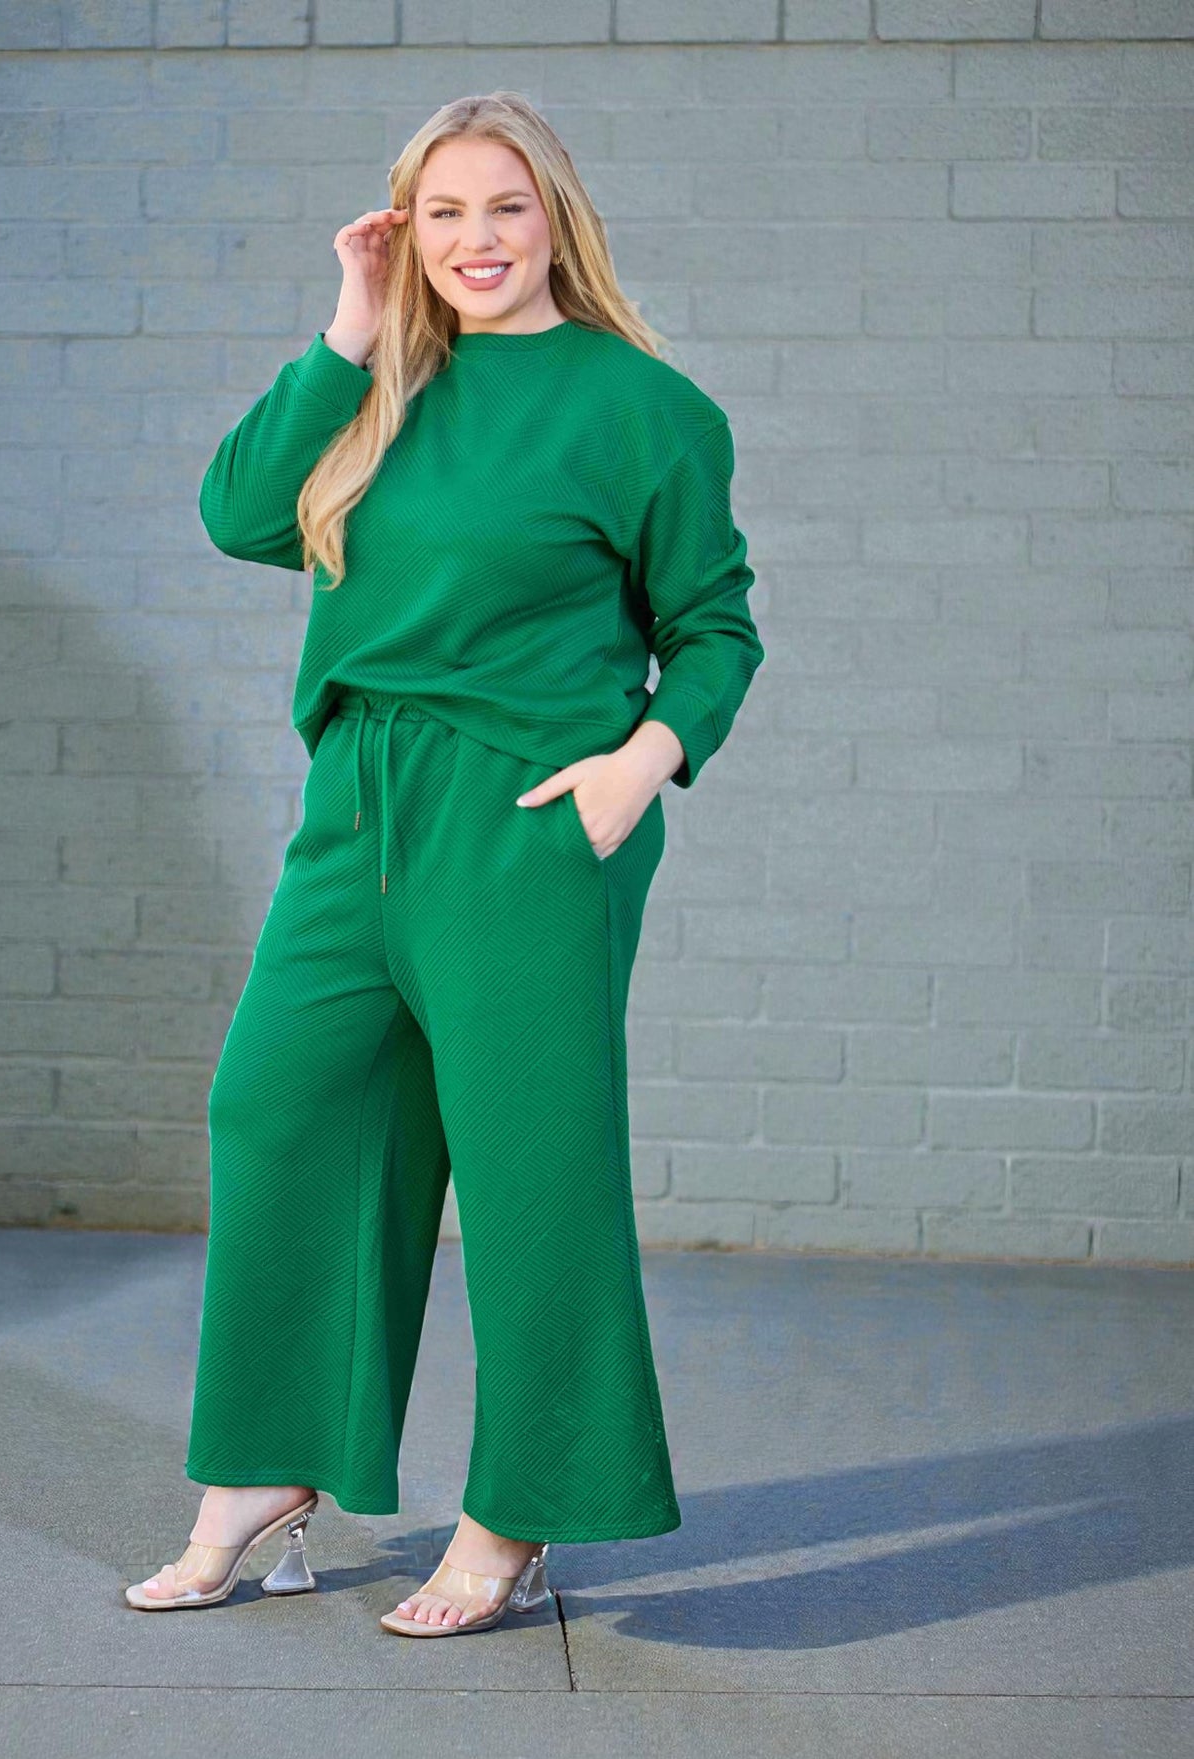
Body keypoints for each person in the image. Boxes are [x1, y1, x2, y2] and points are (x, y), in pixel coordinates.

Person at [124, 91, 764, 1638]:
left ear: (557, 220)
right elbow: (234, 514)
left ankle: (517, 1508)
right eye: (443, 213)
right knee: (278, 1105)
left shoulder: (640, 407)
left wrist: (640, 762)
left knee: (530, 1170)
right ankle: (263, 1476)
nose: (475, 241)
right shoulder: (379, 386)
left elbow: (713, 625)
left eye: (505, 208)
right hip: (358, 803)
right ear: (404, 233)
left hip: (529, 813)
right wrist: (345, 328)